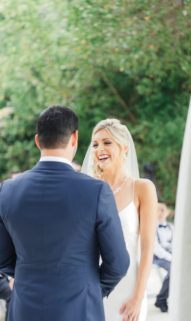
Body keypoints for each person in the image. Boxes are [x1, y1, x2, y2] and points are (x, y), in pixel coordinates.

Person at [0, 106, 130, 321]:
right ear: (74, 138)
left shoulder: (7, 191)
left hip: (26, 308)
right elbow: (118, 263)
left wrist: (30, 275)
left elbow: (3, 258)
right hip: (81, 309)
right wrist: (92, 289)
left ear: (37, 141)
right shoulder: (96, 191)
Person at [82, 119, 158, 321]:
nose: (99, 149)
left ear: (124, 147)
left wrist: (138, 296)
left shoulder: (142, 188)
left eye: (107, 142)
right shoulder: (88, 189)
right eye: (95, 144)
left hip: (129, 286)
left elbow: (148, 248)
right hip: (94, 283)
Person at [153, 202, 174, 313]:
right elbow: (156, 249)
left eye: (163, 210)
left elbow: (176, 243)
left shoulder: (171, 227)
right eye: (158, 210)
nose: (160, 213)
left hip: (172, 256)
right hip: (159, 257)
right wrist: (172, 258)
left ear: (167, 212)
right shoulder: (152, 227)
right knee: (173, 270)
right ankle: (161, 299)